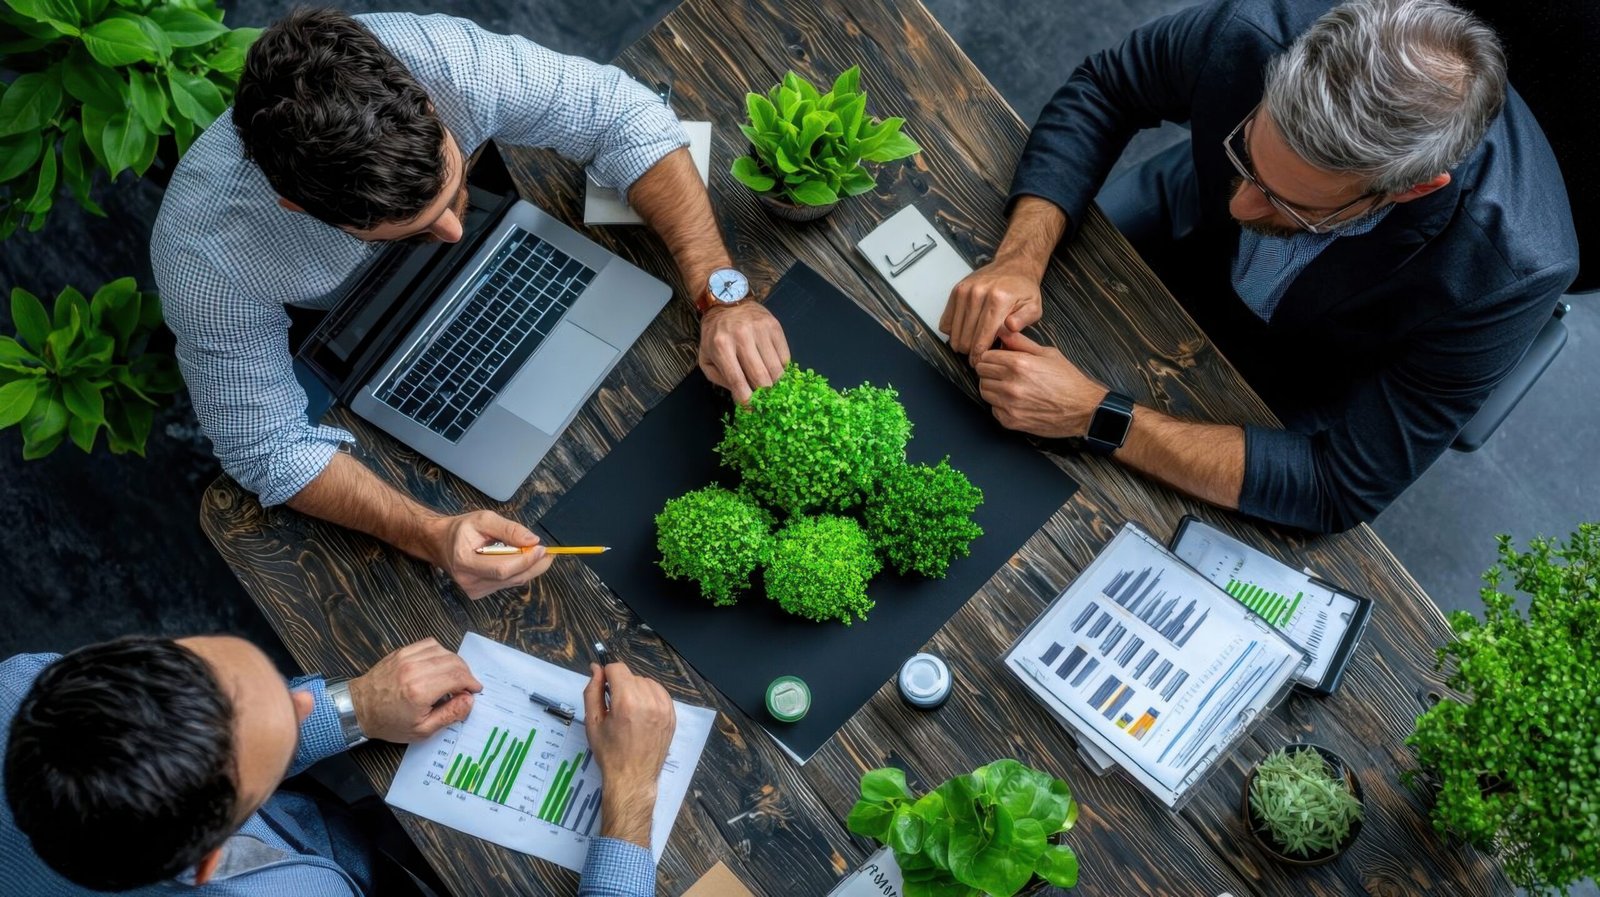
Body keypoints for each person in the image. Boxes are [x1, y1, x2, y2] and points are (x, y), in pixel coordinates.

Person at [151, 8, 790, 598]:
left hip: (509, 241)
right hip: (349, 339)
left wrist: (719, 292)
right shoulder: (204, 258)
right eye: (417, 230)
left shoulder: (449, 61)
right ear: (300, 209)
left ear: (429, 106)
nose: (452, 234)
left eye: (452, 191)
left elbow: (623, 115)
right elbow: (266, 447)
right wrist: (431, 534)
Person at [942, 0, 1578, 533]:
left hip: (1307, 363)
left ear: (1408, 189)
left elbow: (1337, 486)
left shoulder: (1510, 269)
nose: (1242, 200)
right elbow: (1108, 88)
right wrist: (1020, 257)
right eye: (1248, 154)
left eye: (1286, 201)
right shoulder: (1258, 27)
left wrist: (1098, 415)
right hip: (1185, 219)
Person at [1, 635, 677, 896]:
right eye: (294, 718)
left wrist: (359, 707)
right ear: (211, 863)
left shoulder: (24, 684)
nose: (308, 703)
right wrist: (630, 788)